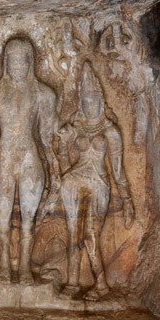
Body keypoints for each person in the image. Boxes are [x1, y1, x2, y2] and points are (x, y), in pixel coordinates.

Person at [0, 37, 61, 285]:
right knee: (2, 216)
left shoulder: (44, 95)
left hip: (30, 160)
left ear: (30, 63)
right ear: (5, 63)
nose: (16, 66)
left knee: (28, 217)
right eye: (11, 61)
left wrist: (54, 172)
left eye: (22, 61)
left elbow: (46, 140)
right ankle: (3, 265)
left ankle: (24, 267)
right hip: (3, 159)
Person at [57, 60, 134, 301]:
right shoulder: (75, 128)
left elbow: (119, 170)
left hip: (99, 183)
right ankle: (72, 281)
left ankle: (101, 284)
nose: (90, 105)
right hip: (72, 181)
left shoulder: (110, 132)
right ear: (81, 103)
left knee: (90, 234)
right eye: (86, 101)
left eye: (94, 101)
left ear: (101, 102)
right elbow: (62, 164)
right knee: (72, 232)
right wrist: (62, 143)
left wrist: (127, 200)